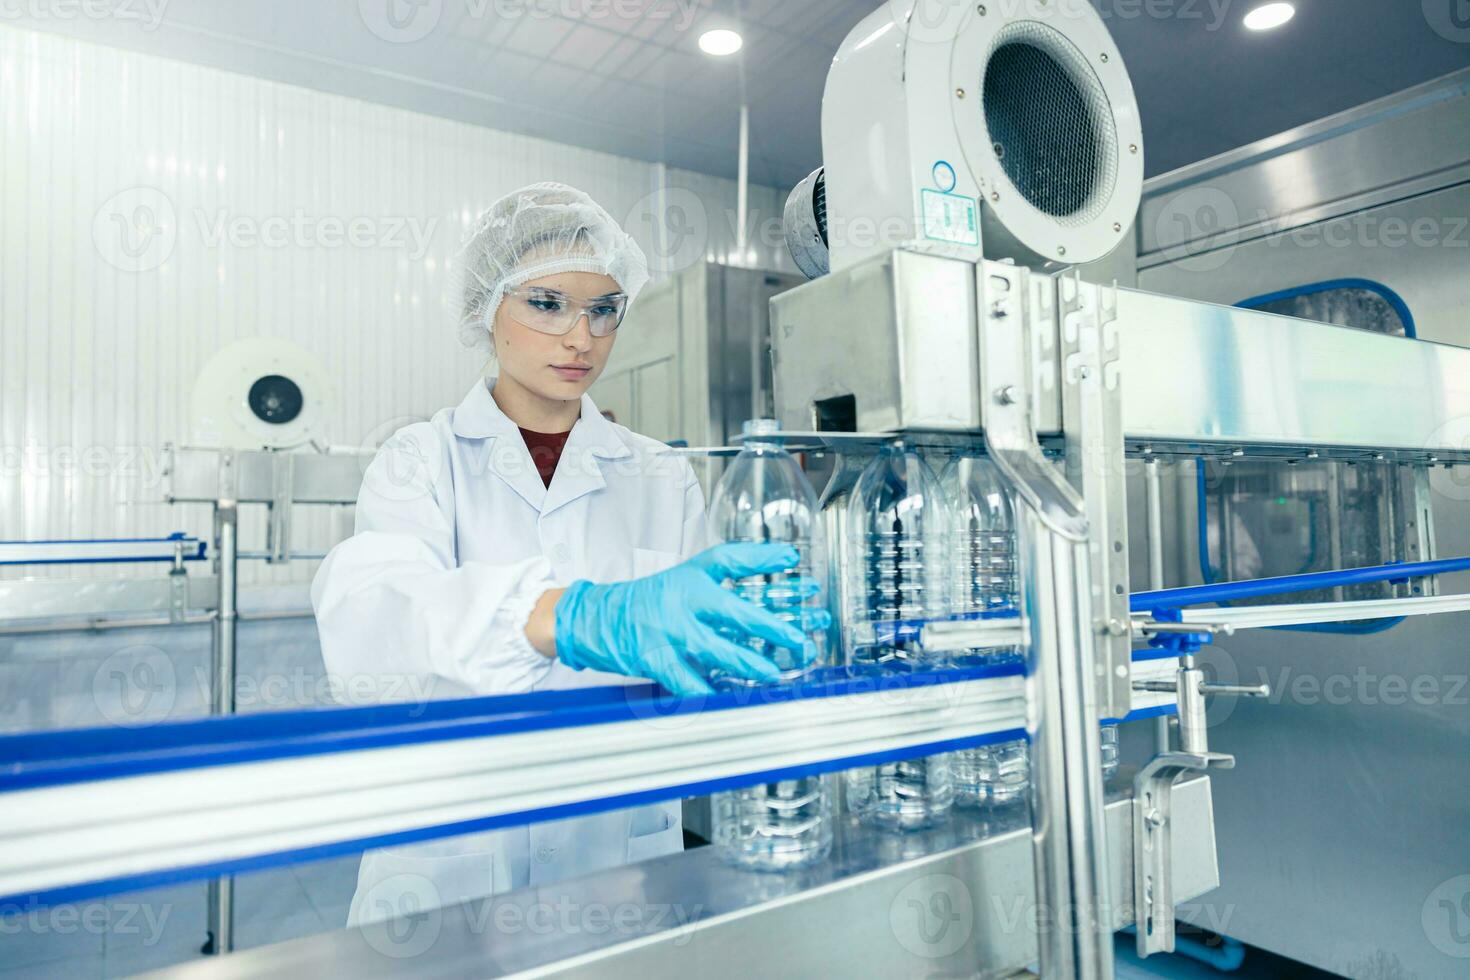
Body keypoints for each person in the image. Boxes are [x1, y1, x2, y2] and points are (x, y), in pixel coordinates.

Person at [312, 183, 809, 926]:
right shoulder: (422, 459)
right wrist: (565, 616)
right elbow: (371, 616)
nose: (582, 338)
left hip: (621, 855)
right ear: (488, 311)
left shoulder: (659, 475)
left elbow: (704, 649)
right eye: (547, 305)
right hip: (454, 865)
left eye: (603, 310)